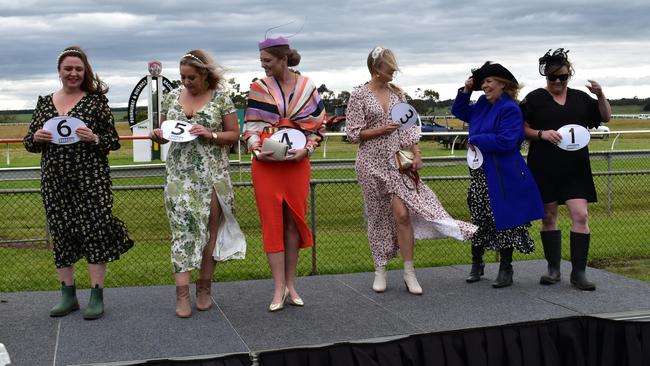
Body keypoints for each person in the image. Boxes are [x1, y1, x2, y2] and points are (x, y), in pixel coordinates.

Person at [346, 46, 476, 295]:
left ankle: (409, 272)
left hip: (398, 161)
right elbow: (353, 134)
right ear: (376, 68)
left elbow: (407, 128)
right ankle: (380, 269)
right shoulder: (359, 96)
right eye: (389, 66)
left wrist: (417, 153)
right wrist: (379, 131)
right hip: (370, 164)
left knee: (402, 214)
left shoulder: (398, 94)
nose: (394, 70)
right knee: (377, 217)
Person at [23, 46, 133, 319]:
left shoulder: (96, 103)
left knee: (95, 234)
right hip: (55, 182)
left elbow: (113, 141)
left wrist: (94, 138)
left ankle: (96, 296)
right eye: (68, 69)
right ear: (59, 72)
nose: (73, 74)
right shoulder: (45, 102)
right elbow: (29, 143)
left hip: (91, 182)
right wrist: (36, 138)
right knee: (62, 236)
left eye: (78, 69)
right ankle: (68, 295)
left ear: (85, 72)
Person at [150, 49, 246, 317]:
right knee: (183, 233)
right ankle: (181, 295)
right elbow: (164, 134)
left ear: (204, 74)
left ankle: (204, 288)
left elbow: (233, 135)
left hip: (213, 176)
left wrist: (210, 133)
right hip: (179, 177)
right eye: (182, 77)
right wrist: (157, 135)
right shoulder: (172, 97)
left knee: (209, 234)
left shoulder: (221, 99)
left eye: (190, 77)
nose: (186, 82)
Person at [243, 36, 325, 311]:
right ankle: (278, 289)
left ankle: (291, 285)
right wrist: (256, 150)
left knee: (293, 223)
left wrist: (308, 149)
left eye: (267, 61)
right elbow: (251, 127)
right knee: (272, 224)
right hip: (266, 166)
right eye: (261, 61)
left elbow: (317, 129)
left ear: (284, 59)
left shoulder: (308, 87)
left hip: (296, 164)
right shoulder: (259, 87)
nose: (263, 65)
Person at [521, 49, 611, 291]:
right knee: (549, 217)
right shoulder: (534, 98)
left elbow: (605, 117)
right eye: (553, 78)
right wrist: (541, 134)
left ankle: (579, 273)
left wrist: (600, 94)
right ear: (546, 77)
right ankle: (553, 269)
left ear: (569, 75)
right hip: (544, 166)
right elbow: (521, 128)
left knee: (580, 216)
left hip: (576, 167)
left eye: (563, 77)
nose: (558, 82)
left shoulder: (581, 98)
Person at [452, 61, 544, 288]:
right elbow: (459, 111)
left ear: (502, 84)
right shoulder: (482, 104)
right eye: (482, 82)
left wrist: (476, 140)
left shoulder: (510, 108)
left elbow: (507, 141)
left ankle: (506, 268)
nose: (484, 85)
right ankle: (477, 263)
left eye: (489, 81)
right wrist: (466, 90)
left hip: (504, 175)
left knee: (504, 220)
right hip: (481, 172)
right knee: (479, 217)